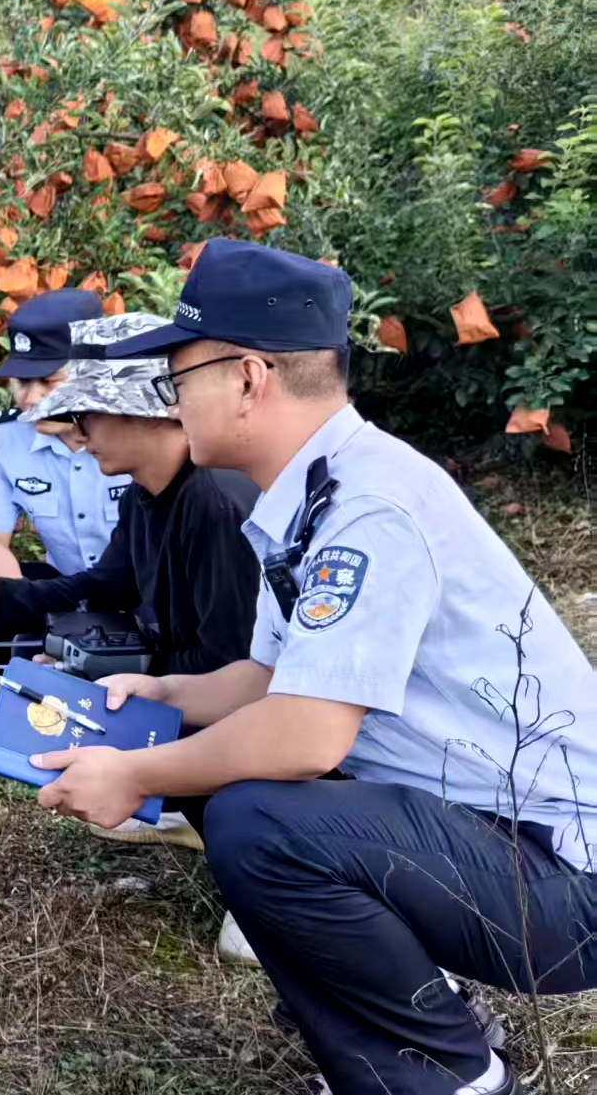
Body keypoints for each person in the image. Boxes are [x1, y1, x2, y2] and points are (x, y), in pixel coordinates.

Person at [32, 239, 597, 1095]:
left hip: (561, 879)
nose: (172, 401)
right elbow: (265, 681)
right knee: (252, 804)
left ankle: (450, 1074)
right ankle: (398, 1043)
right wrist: (161, 691)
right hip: (493, 840)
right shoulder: (307, 497)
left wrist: (135, 772)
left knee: (260, 819)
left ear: (249, 377)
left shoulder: (367, 506)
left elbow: (302, 733)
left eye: (179, 378)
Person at [0, 313, 261, 855]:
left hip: (253, 716)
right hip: (193, 680)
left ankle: (253, 849)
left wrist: (94, 677)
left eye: (87, 414)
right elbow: (107, 583)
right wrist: (10, 595)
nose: (80, 434)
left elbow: (231, 667)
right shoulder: (146, 491)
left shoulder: (213, 502)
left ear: (145, 413)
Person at [0, 290, 134, 674]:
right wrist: (24, 602)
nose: (30, 399)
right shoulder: (7, 436)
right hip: (62, 589)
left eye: (47, 381)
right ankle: (29, 701)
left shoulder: (136, 430)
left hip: (142, 591)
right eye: (20, 382)